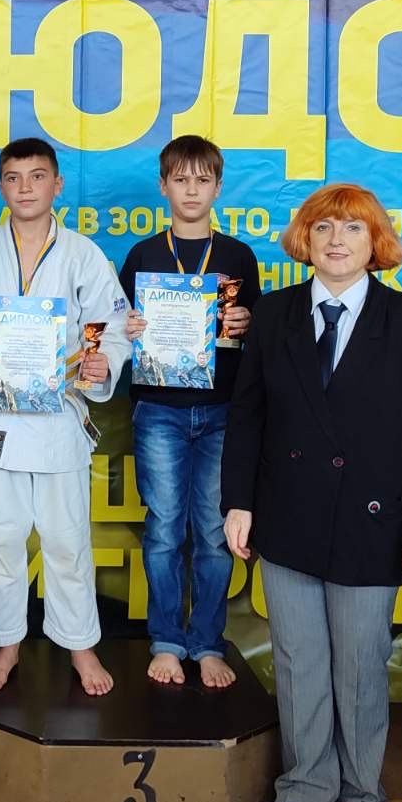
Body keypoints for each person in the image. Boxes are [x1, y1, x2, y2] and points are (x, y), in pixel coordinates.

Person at [222, 183, 402, 802]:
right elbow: (248, 416)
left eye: (354, 228)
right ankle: (305, 789)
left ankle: (361, 792)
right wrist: (238, 501)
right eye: (323, 226)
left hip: (373, 523)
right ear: (305, 239)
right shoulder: (274, 314)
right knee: (299, 663)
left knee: (359, 666)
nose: (336, 240)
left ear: (375, 242)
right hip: (286, 517)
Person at [0, 138, 132, 696]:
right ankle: (5, 641)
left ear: (57, 185)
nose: (25, 188)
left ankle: (81, 645)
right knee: (0, 537)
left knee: (67, 539)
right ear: (0, 187)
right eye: (14, 178)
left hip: (59, 419)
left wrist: (101, 360)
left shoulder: (83, 254)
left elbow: (110, 325)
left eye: (37, 177)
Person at [118, 135, 259, 689]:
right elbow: (119, 328)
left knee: (214, 533)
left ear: (218, 187)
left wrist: (248, 322)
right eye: (181, 180)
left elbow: (253, 333)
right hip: (159, 409)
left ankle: (206, 643)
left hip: (223, 409)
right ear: (163, 187)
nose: (192, 190)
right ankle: (166, 641)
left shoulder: (238, 256)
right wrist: (129, 328)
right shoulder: (143, 256)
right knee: (162, 531)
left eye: (203, 180)